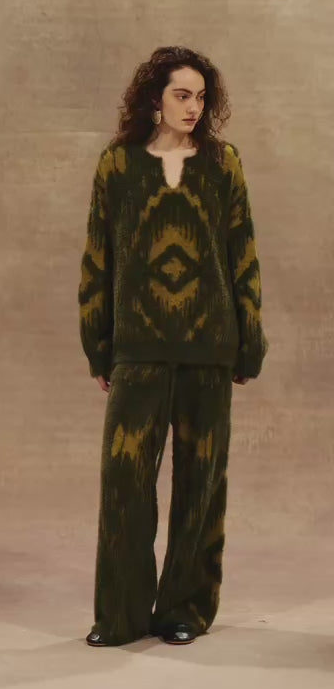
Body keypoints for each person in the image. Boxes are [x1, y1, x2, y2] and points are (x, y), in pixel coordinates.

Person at [77, 45, 269, 647]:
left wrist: (249, 341)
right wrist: (99, 344)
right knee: (125, 483)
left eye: (201, 97)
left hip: (210, 348)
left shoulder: (223, 163)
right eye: (182, 95)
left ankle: (186, 609)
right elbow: (98, 258)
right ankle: (120, 614)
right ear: (154, 99)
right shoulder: (117, 164)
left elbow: (242, 253)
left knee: (201, 484)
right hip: (137, 348)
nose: (194, 107)